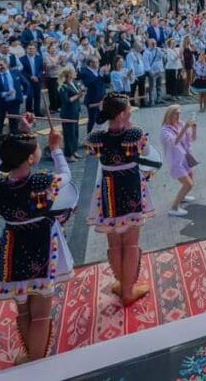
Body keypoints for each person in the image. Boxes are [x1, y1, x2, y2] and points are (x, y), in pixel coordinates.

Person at [0, 120, 72, 363]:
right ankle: (36, 362)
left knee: (23, 307)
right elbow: (66, 176)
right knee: (40, 312)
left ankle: (31, 355)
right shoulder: (40, 182)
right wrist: (56, 149)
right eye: (37, 148)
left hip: (12, 246)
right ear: (30, 159)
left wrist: (20, 134)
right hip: (40, 245)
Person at [85, 95, 155, 305]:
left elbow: (90, 143)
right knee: (131, 242)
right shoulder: (134, 134)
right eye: (129, 109)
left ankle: (122, 284)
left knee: (114, 242)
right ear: (123, 114)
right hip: (131, 186)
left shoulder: (98, 137)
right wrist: (129, 126)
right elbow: (147, 152)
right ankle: (128, 291)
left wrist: (102, 121)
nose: (131, 111)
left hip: (108, 188)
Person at [160, 105, 197, 217]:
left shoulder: (180, 124)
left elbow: (192, 139)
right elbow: (174, 142)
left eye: (179, 113)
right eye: (176, 114)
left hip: (186, 158)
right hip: (176, 162)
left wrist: (194, 128)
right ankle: (174, 208)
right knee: (188, 185)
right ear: (169, 115)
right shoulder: (164, 131)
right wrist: (185, 128)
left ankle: (182, 197)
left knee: (191, 179)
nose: (178, 116)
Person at [0, 58, 27, 140]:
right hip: (0, 103)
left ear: (6, 64)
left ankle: (14, 141)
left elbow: (26, 83)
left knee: (14, 122)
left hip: (14, 102)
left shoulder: (16, 73)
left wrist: (24, 95)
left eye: (1, 65)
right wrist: (4, 93)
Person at [57, 66, 83, 162]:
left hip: (75, 111)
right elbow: (66, 101)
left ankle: (74, 150)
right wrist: (78, 95)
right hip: (68, 112)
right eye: (73, 72)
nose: (75, 73)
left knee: (75, 132)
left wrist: (80, 93)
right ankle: (68, 154)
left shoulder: (74, 83)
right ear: (69, 74)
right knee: (69, 133)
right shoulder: (63, 86)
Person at [79, 57, 106, 138]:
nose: (98, 64)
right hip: (92, 99)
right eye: (96, 62)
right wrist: (100, 75)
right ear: (90, 63)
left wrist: (106, 73)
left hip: (101, 97)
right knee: (92, 119)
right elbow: (91, 84)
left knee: (100, 118)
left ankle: (98, 136)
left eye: (98, 62)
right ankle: (89, 137)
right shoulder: (84, 72)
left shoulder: (99, 70)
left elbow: (106, 80)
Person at [19, 44, 45, 116]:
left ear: (35, 50)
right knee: (29, 96)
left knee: (37, 96)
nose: (32, 50)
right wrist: (31, 77)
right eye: (30, 48)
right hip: (28, 80)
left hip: (38, 80)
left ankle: (37, 112)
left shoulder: (39, 58)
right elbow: (22, 71)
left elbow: (41, 69)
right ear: (26, 50)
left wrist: (38, 77)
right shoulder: (22, 59)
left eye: (33, 48)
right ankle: (29, 112)